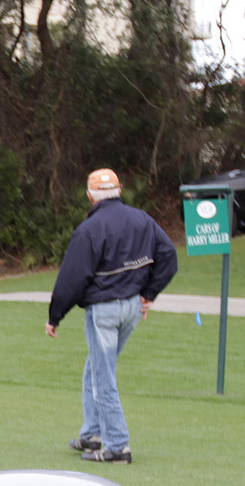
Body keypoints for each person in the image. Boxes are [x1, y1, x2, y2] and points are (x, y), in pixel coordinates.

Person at [45, 168, 176, 464]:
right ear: (120, 190)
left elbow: (72, 278)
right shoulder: (142, 218)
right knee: (95, 367)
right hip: (131, 307)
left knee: (103, 376)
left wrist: (55, 316)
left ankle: (117, 445)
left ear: (90, 197)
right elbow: (168, 256)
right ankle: (93, 434)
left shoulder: (89, 229)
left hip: (103, 310)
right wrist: (149, 293)